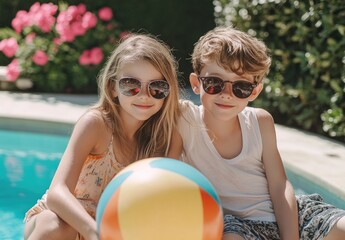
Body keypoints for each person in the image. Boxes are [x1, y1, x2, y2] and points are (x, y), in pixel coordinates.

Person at [177, 26, 345, 239]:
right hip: (236, 226)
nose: (227, 94)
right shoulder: (184, 117)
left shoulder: (260, 121)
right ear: (196, 83)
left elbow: (279, 185)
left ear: (254, 92)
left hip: (290, 215)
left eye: (241, 88)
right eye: (214, 83)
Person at [23, 33, 182, 240]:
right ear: (112, 88)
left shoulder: (164, 138)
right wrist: (94, 232)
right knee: (55, 225)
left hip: (112, 232)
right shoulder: (96, 124)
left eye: (157, 87)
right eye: (131, 85)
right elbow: (57, 193)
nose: (144, 95)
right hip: (66, 219)